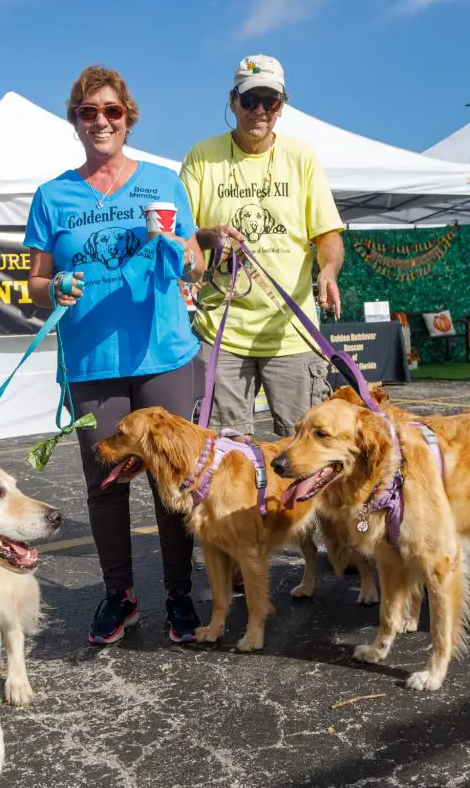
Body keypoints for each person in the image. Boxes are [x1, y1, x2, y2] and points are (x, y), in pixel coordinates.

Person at [24, 65, 211, 646]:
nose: (100, 120)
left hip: (164, 354)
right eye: (88, 112)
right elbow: (34, 284)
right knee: (106, 483)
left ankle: (179, 594)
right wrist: (54, 290)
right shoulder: (52, 196)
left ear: (128, 118)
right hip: (93, 362)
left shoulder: (163, 183)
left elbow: (197, 267)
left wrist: (186, 249)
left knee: (174, 480)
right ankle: (120, 596)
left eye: (111, 111)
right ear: (74, 121)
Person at [179, 54, 345, 437]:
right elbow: (182, 236)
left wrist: (329, 271)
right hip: (221, 333)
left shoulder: (300, 156)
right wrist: (207, 236)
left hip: (290, 332)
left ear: (281, 106)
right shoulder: (202, 156)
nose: (259, 111)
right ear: (233, 100)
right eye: (250, 100)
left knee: (308, 453)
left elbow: (327, 234)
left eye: (270, 102)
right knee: (223, 458)